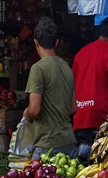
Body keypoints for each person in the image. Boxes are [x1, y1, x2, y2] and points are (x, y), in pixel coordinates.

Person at [25, 17, 77, 158]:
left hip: (47, 146)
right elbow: (73, 108)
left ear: (36, 43)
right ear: (56, 42)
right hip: (69, 144)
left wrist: (26, 115)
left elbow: (34, 110)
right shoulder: (67, 68)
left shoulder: (38, 69)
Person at [72, 18, 108, 156]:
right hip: (101, 117)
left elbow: (72, 85)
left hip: (80, 119)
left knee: (82, 166)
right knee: (102, 164)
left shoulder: (80, 53)